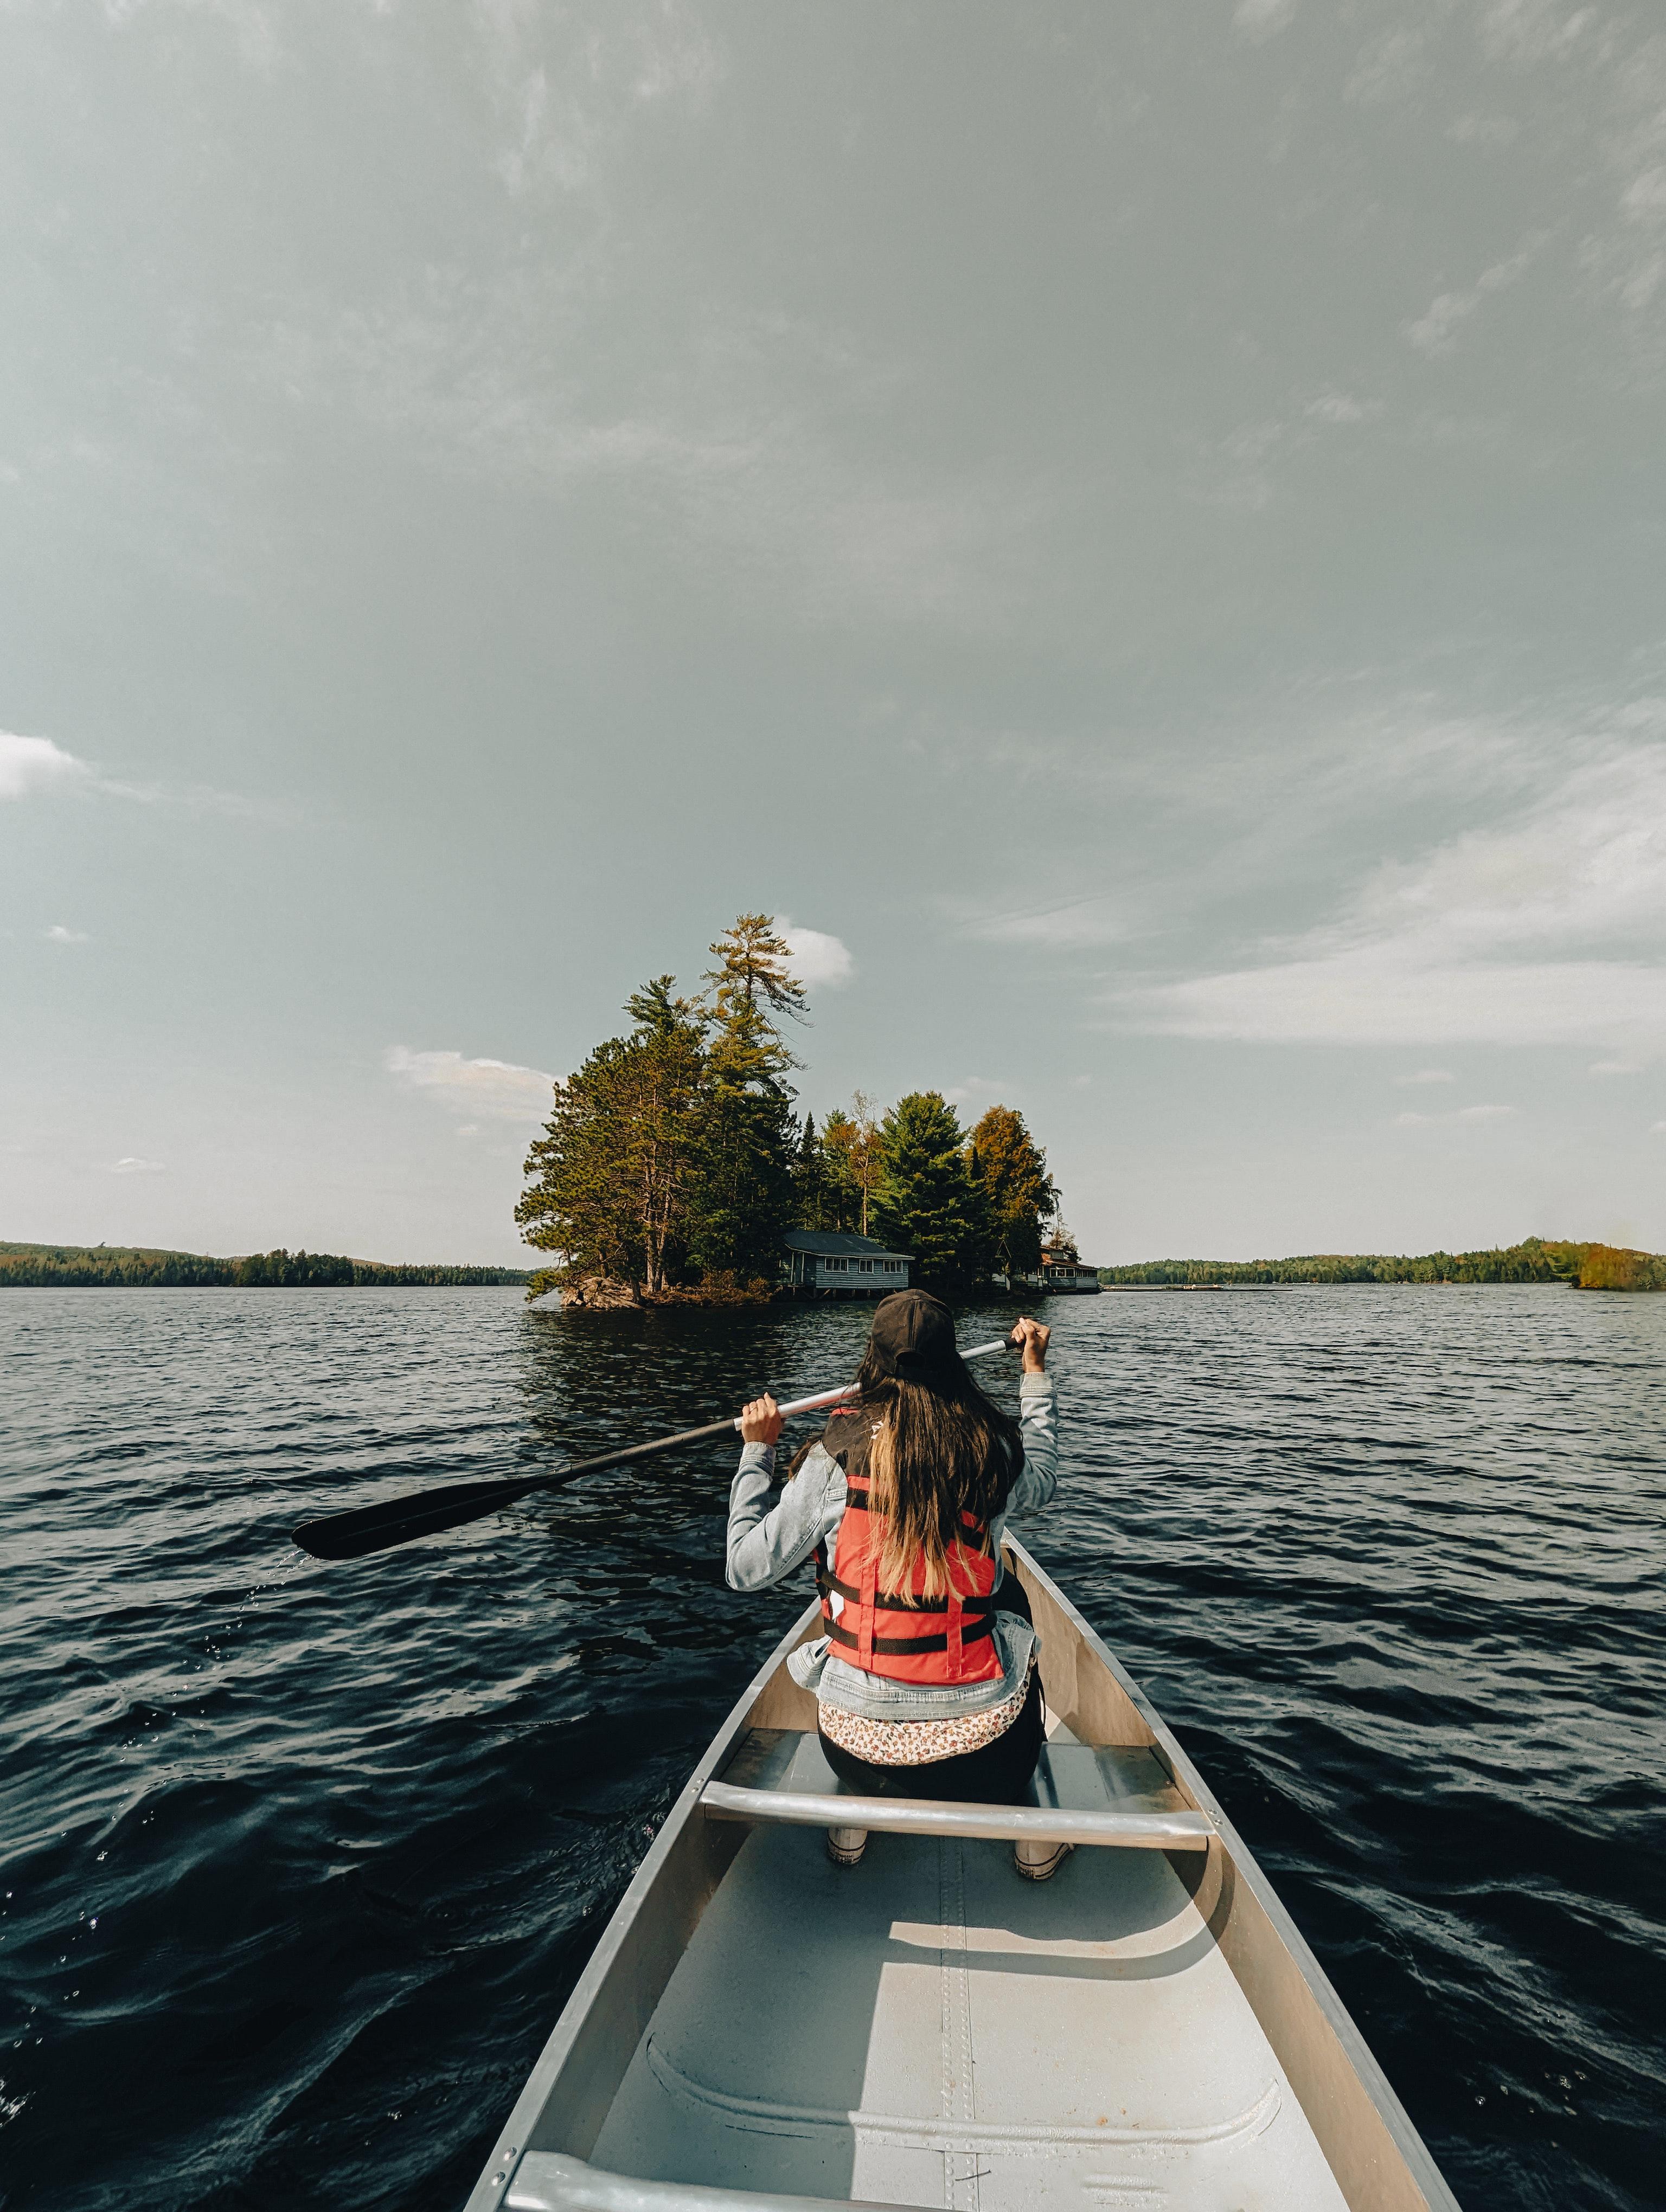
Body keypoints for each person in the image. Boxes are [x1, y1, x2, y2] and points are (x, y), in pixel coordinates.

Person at [726, 1289, 1064, 1879]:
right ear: (952, 1360)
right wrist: (1033, 1375)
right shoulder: (992, 1447)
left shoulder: (833, 1454)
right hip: (985, 1762)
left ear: (872, 1360)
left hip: (856, 1758)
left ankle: (855, 1820)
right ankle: (1027, 1829)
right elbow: (1043, 1482)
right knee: (1010, 1597)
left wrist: (758, 1453)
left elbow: (744, 1570)